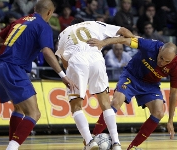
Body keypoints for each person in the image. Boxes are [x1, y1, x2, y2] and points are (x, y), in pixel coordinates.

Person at [0, 1, 76, 150]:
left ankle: (12, 144)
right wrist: (63, 75)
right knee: (34, 113)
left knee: (19, 109)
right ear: (49, 13)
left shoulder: (19, 21)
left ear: (35, 9)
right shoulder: (43, 25)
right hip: (13, 68)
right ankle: (12, 148)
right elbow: (47, 52)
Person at [87, 36, 177, 149]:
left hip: (150, 85)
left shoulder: (176, 66)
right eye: (161, 58)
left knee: (159, 112)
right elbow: (125, 40)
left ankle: (132, 147)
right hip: (132, 76)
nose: (162, 63)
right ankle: (91, 139)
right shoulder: (150, 45)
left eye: (167, 61)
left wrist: (170, 120)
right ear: (160, 49)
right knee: (116, 102)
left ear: (173, 59)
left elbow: (174, 93)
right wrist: (103, 42)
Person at [55, 17, 135, 150]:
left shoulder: (63, 33)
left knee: (76, 106)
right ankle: (116, 143)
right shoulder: (94, 24)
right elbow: (124, 31)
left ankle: (89, 141)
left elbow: (64, 62)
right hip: (96, 58)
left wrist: (74, 74)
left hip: (77, 60)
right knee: (105, 104)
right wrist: (135, 40)